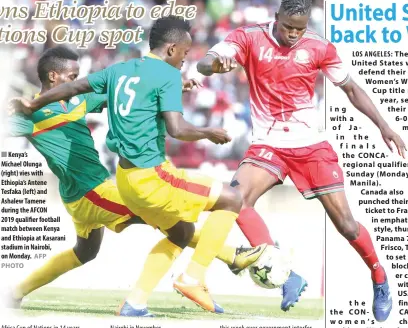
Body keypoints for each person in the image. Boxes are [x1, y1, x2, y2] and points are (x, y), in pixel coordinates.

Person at [9, 16, 263, 316]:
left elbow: (126, 93)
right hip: (91, 191)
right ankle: (232, 255)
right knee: (174, 224)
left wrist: (175, 85)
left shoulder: (77, 103)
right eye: (71, 75)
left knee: (85, 252)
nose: (76, 78)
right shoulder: (28, 116)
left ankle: (15, 292)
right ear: (53, 77)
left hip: (86, 192)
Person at [196, 0, 405, 322]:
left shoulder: (319, 46)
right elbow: (208, 60)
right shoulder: (250, 37)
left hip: (310, 145)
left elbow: (351, 89)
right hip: (269, 143)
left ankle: (379, 276)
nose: (294, 34)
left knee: (347, 226)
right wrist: (212, 66)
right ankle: (284, 272)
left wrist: (384, 127)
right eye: (289, 27)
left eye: (300, 28)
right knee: (234, 199)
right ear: (276, 16)